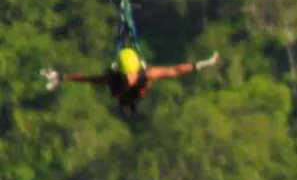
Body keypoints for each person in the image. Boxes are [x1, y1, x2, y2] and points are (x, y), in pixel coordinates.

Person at [40, 46, 220, 117]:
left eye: (130, 75)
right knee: (119, 89)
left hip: (134, 91)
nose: (128, 78)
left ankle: (129, 105)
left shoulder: (144, 75)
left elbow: (175, 70)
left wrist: (202, 64)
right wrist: (62, 77)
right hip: (126, 93)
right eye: (126, 75)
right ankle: (128, 106)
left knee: (138, 87)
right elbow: (88, 78)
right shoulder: (115, 79)